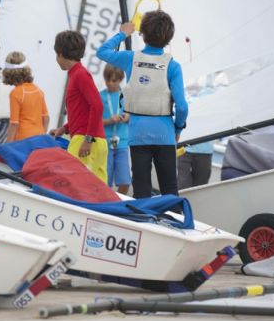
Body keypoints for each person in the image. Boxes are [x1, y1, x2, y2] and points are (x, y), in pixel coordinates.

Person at [97, 10, 188, 198]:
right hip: (165, 135)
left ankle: (142, 223)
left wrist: (123, 33)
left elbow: (102, 52)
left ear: (143, 34)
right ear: (169, 38)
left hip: (138, 135)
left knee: (141, 191)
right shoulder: (173, 66)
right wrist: (178, 129)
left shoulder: (131, 58)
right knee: (170, 191)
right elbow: (182, 107)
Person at [49, 30, 108, 183]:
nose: (56, 60)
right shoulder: (77, 74)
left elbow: (97, 106)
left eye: (56, 55)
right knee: (99, 192)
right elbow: (84, 110)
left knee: (72, 186)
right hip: (95, 140)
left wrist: (88, 139)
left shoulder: (80, 75)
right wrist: (65, 128)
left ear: (61, 54)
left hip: (86, 140)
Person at [2, 51, 49, 142]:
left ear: (7, 73)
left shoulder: (15, 93)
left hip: (22, 141)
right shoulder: (38, 91)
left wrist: (7, 146)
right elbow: (46, 118)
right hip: (38, 140)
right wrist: (42, 136)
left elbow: (14, 124)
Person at [100, 64, 131, 194]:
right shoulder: (100, 96)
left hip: (122, 143)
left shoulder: (126, 96)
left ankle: (118, 203)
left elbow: (135, 117)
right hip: (105, 143)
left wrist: (128, 117)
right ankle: (104, 203)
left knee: (125, 181)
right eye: (107, 80)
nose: (109, 83)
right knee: (104, 181)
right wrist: (109, 121)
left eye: (113, 80)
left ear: (120, 79)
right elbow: (94, 122)